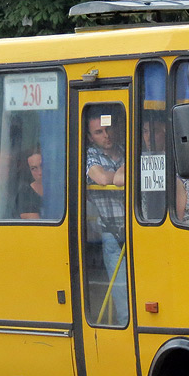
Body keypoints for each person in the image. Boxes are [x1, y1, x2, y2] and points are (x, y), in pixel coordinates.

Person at [85, 113, 127, 324]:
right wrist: (120, 176)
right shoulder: (90, 155)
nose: (106, 135)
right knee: (122, 295)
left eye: (108, 129)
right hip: (112, 232)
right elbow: (100, 178)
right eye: (99, 132)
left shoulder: (126, 149)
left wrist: (116, 177)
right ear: (91, 137)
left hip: (137, 228)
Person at [15, 150, 44, 220]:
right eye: (34, 168)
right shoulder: (25, 194)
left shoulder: (60, 189)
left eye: (42, 166)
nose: (40, 172)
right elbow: (38, 227)